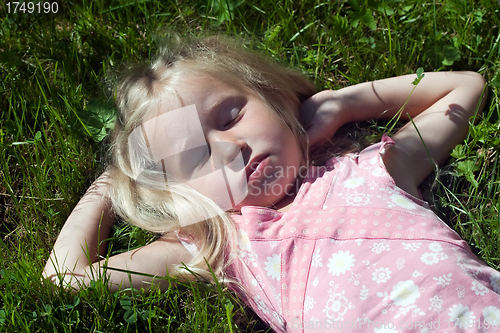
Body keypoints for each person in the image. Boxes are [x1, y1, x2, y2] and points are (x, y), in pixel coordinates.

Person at [43, 36, 499, 332]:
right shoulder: (220, 243)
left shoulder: (372, 168)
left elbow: (465, 89)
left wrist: (340, 104)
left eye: (231, 115)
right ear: (186, 196)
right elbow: (66, 279)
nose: (230, 148)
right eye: (196, 158)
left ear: (272, 95)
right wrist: (108, 184)